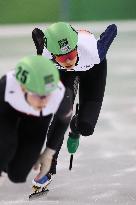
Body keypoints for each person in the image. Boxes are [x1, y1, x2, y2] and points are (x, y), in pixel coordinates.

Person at [32, 22, 117, 154]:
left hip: (92, 70)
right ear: (53, 55)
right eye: (62, 57)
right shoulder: (45, 55)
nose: (68, 62)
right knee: (61, 115)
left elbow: (113, 29)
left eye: (70, 56)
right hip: (66, 74)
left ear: (76, 48)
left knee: (86, 127)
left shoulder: (94, 53)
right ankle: (50, 165)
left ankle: (75, 127)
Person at [0, 55, 73, 189]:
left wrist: (49, 153)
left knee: (17, 175)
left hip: (38, 119)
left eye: (48, 94)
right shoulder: (6, 85)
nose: (44, 101)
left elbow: (63, 122)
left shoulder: (60, 96)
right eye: (39, 95)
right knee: (6, 144)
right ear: (23, 88)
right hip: (8, 113)